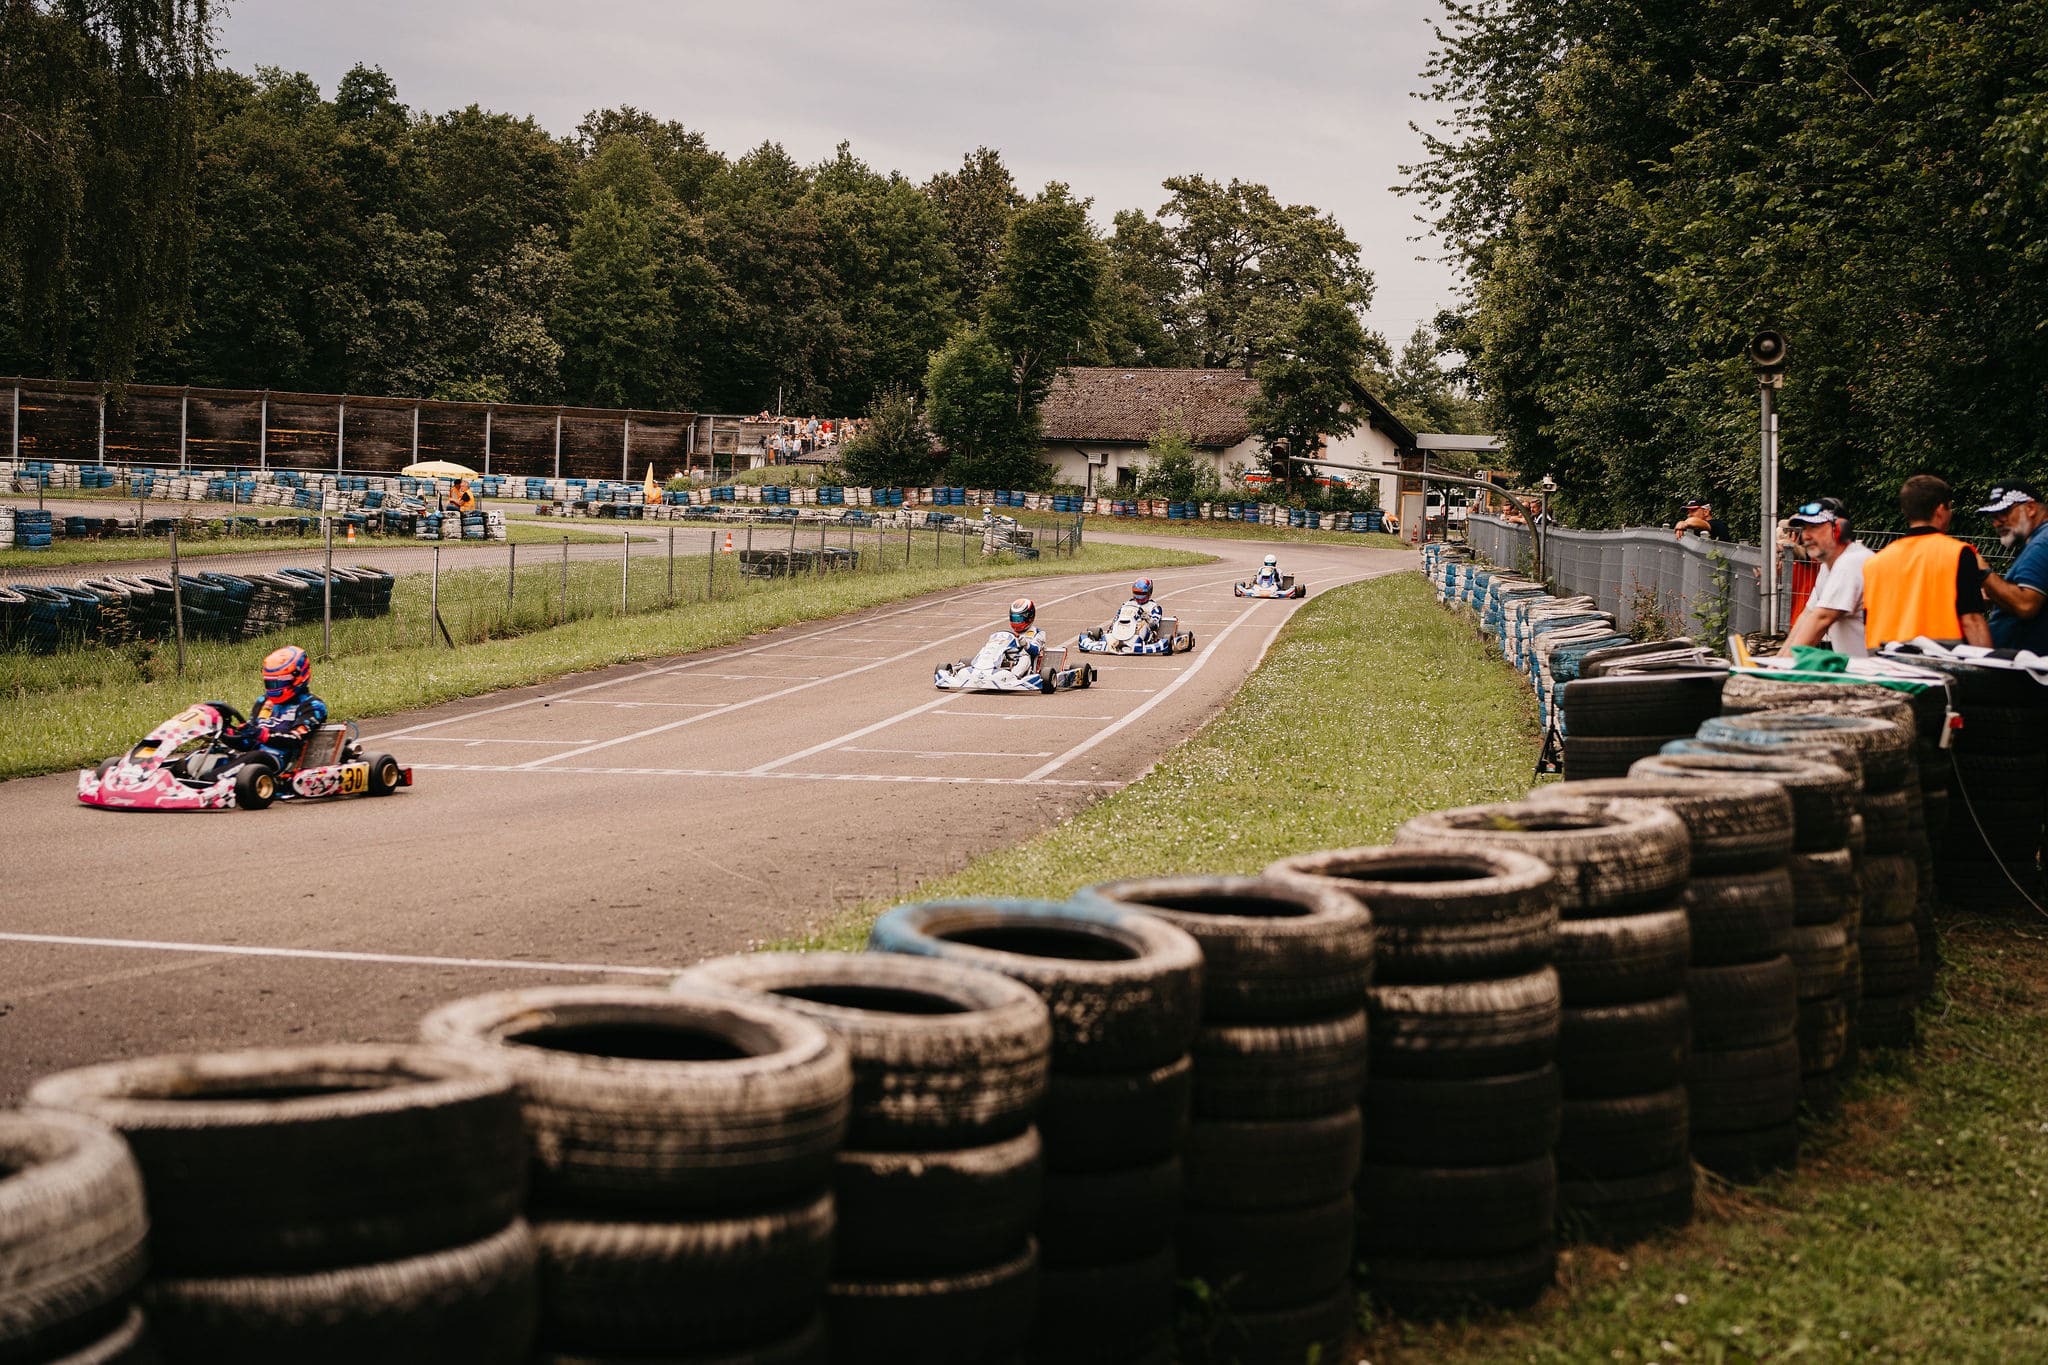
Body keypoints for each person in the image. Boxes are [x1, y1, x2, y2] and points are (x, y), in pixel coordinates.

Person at [1860, 474, 1992, 649]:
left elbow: (1869, 619)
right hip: (1939, 658)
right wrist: (1988, 662)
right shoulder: (1958, 553)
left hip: (1884, 658)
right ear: (1940, 510)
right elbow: (1972, 620)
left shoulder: (1874, 563)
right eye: (1950, 507)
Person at [1780, 497, 1874, 658]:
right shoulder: (1827, 567)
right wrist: (1778, 660)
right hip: (1862, 668)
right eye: (1805, 528)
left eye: (1814, 527)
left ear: (1840, 529)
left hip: (1881, 669)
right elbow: (1808, 616)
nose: (1806, 536)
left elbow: (1822, 619)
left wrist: (1783, 665)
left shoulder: (1853, 561)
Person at [224, 645, 329, 770]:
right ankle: (206, 780)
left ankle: (210, 781)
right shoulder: (264, 702)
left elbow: (295, 739)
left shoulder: (312, 705)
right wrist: (227, 734)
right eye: (270, 682)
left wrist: (260, 734)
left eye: (280, 682)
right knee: (216, 755)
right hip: (252, 763)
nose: (275, 687)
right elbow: (249, 742)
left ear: (298, 677)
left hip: (282, 763)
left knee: (256, 757)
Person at [1977, 479, 2048, 653]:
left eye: (2003, 512)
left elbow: (2026, 605)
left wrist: (1982, 571)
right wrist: (1994, 594)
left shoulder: (2042, 542)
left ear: (2031, 508)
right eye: (1993, 516)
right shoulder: (2037, 541)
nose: (1996, 522)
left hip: (2026, 664)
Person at [1005, 597, 1047, 682]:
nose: (1016, 622)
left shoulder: (1038, 633)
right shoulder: (1008, 633)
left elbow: (1035, 651)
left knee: (1025, 658)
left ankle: (1012, 677)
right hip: (1008, 659)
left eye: (1018, 619)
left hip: (1026, 663)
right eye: (1014, 619)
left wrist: (1025, 644)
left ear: (1029, 617)